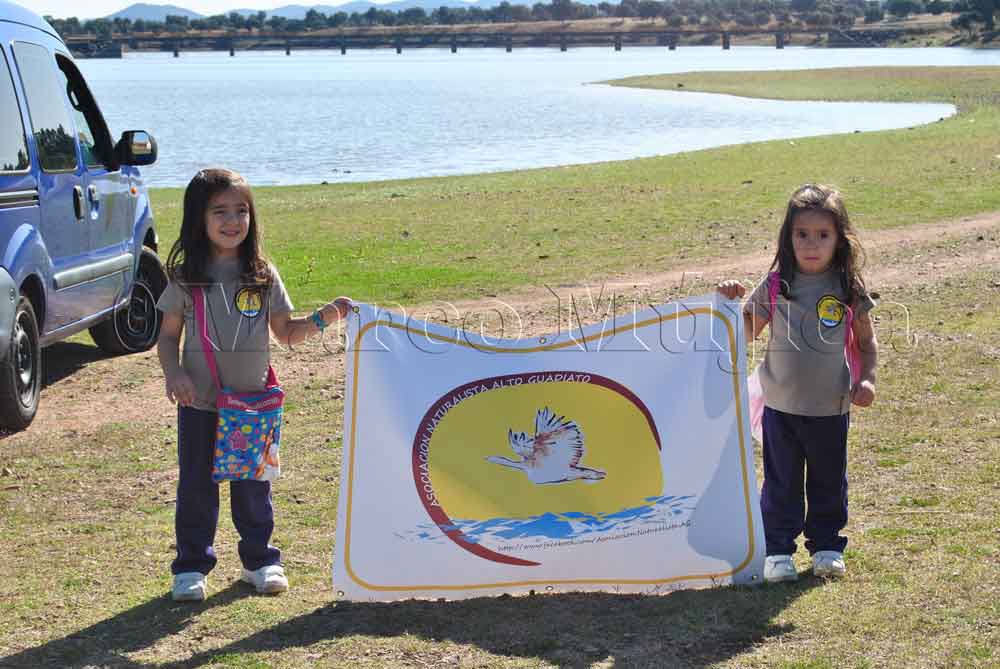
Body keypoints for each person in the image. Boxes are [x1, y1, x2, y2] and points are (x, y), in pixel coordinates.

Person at [156, 168, 351, 602]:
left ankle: (260, 561)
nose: (233, 220)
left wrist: (327, 316)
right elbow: (167, 338)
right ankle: (191, 567)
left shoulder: (262, 274)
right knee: (196, 488)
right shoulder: (186, 277)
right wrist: (175, 373)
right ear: (198, 219)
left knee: (253, 486)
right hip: (200, 405)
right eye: (220, 211)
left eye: (241, 210)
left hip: (251, 406)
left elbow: (287, 333)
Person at [717, 183, 877, 583]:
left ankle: (826, 546)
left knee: (828, 480)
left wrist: (868, 380)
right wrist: (731, 302)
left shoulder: (846, 288)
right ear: (788, 238)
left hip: (831, 406)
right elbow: (746, 333)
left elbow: (867, 342)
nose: (811, 244)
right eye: (801, 234)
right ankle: (777, 551)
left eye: (822, 235)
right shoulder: (776, 285)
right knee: (781, 482)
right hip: (780, 407)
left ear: (839, 239)